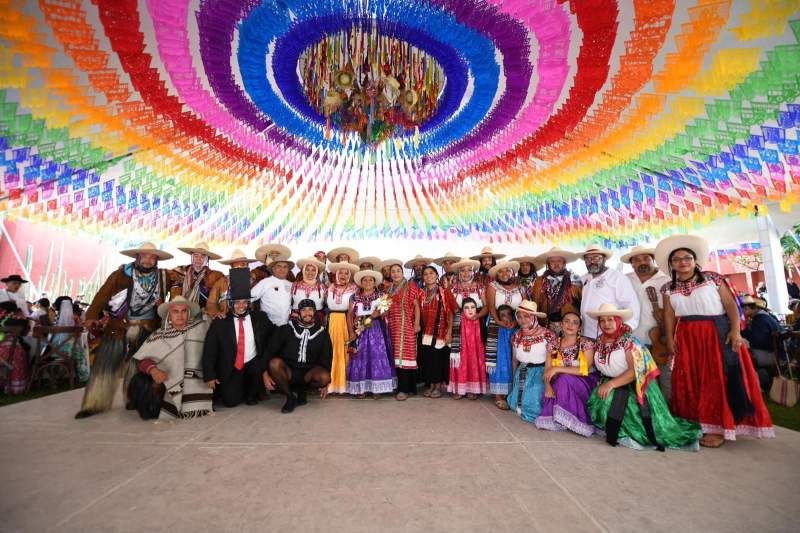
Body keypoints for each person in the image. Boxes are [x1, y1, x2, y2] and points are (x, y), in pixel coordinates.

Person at [656, 235, 774, 447]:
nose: (683, 262)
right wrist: (671, 340)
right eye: (677, 259)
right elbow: (669, 315)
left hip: (716, 332)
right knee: (690, 379)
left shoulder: (713, 278)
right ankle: (696, 424)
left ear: (695, 260)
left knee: (717, 378)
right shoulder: (667, 288)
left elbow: (731, 306)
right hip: (687, 335)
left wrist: (736, 331)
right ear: (671, 264)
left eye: (687, 258)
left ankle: (719, 427)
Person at [75, 242, 172, 419]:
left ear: (157, 260)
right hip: (119, 326)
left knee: (140, 367)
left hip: (147, 327)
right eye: (145, 256)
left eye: (152, 257)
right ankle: (95, 403)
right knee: (106, 364)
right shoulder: (121, 274)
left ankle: (134, 399)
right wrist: (91, 316)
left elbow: (187, 275)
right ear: (137, 257)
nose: (148, 260)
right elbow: (102, 294)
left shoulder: (163, 276)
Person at [586, 304, 702, 451]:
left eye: (610, 319)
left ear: (618, 321)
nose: (606, 324)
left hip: (635, 385)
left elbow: (635, 371)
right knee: (600, 398)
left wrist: (610, 385)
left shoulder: (629, 342)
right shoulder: (599, 341)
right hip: (612, 382)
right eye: (602, 320)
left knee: (614, 402)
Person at [202, 269, 274, 408]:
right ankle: (239, 387)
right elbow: (210, 350)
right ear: (230, 304)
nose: (241, 306)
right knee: (231, 401)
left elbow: (273, 337)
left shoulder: (259, 318)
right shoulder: (221, 322)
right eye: (237, 302)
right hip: (232, 366)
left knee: (252, 399)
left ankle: (253, 388)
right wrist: (209, 375)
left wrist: (265, 370)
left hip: (253, 365)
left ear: (249, 303)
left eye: (244, 302)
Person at [130, 296, 211, 419]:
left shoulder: (200, 328)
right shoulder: (159, 335)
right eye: (175, 311)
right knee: (139, 381)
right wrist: (153, 370)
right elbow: (142, 360)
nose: (180, 315)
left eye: (184, 311)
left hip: (197, 379)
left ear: (188, 313)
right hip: (166, 380)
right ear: (169, 314)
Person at [621, 245, 672, 399]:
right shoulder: (625, 279)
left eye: (646, 258)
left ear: (653, 260)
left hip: (660, 337)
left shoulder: (667, 279)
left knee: (666, 379)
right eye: (637, 260)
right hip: (634, 339)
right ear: (632, 264)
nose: (642, 262)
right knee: (643, 382)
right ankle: (649, 416)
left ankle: (668, 416)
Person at [536, 311, 598, 436]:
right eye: (567, 321)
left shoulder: (585, 344)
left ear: (580, 327)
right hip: (560, 382)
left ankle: (573, 418)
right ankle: (563, 418)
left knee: (563, 378)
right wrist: (547, 386)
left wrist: (558, 369)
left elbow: (584, 370)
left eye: (575, 323)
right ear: (561, 324)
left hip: (584, 382)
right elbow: (548, 368)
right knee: (559, 380)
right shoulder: (554, 345)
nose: (570, 325)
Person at [266, 299, 333, 413]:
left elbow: (326, 358)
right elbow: (270, 350)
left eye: (310, 309)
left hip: (309, 372)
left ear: (315, 312)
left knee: (324, 377)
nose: (307, 313)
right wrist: (264, 373)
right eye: (303, 310)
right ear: (298, 312)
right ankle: (290, 397)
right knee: (274, 363)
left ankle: (303, 392)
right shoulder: (286, 328)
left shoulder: (322, 333)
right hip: (289, 371)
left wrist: (326, 384)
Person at [346, 270, 396, 399]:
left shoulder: (383, 295)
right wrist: (351, 332)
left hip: (376, 330)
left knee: (376, 356)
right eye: (365, 280)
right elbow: (350, 314)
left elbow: (385, 312)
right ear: (361, 283)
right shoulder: (354, 296)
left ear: (374, 282)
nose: (368, 282)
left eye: (370, 280)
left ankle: (376, 388)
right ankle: (361, 389)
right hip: (359, 330)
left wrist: (375, 314)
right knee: (360, 357)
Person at [485, 261, 526, 409]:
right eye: (500, 272)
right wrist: (498, 321)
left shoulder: (521, 288)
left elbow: (524, 306)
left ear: (512, 273)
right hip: (498, 327)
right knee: (499, 359)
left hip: (516, 326)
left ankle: (512, 392)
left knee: (514, 358)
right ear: (497, 274)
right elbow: (490, 307)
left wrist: (517, 322)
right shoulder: (492, 287)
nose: (504, 274)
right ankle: (498, 395)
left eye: (507, 271)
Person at [507, 301, 556, 422]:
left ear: (533, 317)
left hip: (540, 373)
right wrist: (514, 380)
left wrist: (549, 381)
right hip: (522, 372)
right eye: (519, 316)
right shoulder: (517, 335)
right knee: (516, 404)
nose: (522, 320)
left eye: (526, 316)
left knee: (534, 405)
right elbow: (514, 360)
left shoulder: (548, 334)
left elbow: (554, 360)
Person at [578, 245, 640, 340]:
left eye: (596, 257)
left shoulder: (617, 277)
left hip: (609, 335)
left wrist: (628, 326)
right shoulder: (585, 278)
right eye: (588, 258)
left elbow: (631, 303)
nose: (592, 261)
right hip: (586, 334)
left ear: (604, 259)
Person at [383, 259, 421, 399]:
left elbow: (416, 306)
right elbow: (383, 309)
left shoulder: (411, 286)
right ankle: (399, 386)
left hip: (406, 326)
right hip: (392, 327)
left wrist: (416, 324)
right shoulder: (388, 289)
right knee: (395, 356)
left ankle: (404, 389)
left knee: (405, 356)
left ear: (402, 272)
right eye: (392, 271)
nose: (395, 273)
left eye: (398, 271)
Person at [418, 265, 455, 399]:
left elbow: (451, 313)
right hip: (426, 331)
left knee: (439, 358)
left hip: (440, 330)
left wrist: (449, 331)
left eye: (431, 273)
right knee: (429, 358)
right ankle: (432, 385)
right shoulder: (421, 293)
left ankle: (438, 385)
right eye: (426, 274)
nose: (429, 276)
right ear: (423, 277)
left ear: (437, 275)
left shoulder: (444, 292)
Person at [324, 262, 359, 394]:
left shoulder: (354, 288)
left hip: (347, 321)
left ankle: (345, 384)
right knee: (331, 350)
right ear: (336, 274)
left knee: (346, 350)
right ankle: (331, 384)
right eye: (340, 273)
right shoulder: (330, 287)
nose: (343, 275)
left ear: (349, 275)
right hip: (332, 321)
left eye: (346, 273)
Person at [529, 247, 582, 334]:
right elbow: (535, 304)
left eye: (559, 261)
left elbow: (582, 303)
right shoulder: (539, 281)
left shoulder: (574, 279)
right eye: (552, 262)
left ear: (564, 263)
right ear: (548, 264)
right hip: (545, 324)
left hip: (569, 326)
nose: (556, 264)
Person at [207, 249, 265, 317]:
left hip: (248, 317)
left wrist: (254, 274)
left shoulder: (252, 280)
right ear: (232, 266)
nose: (242, 267)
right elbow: (211, 302)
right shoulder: (222, 282)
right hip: (227, 317)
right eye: (238, 265)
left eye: (244, 264)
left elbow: (262, 273)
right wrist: (216, 312)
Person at [448, 297, 486, 399]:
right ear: (462, 309)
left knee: (473, 366)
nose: (470, 310)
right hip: (462, 349)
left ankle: (473, 390)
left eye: (473, 307)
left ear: (476, 309)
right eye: (466, 308)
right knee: (461, 366)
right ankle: (460, 390)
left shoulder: (480, 319)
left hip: (475, 350)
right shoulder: (459, 319)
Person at [741, 295, 781, 393]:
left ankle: (757, 384)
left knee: (744, 355)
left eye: (742, 311)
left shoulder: (760, 319)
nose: (742, 313)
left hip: (771, 354)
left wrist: (744, 330)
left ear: (746, 308)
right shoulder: (765, 316)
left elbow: (757, 342)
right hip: (774, 352)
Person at [170, 242, 224, 311]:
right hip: (181, 313)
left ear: (207, 260)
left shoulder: (216, 276)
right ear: (191, 257)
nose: (199, 259)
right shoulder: (178, 272)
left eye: (203, 256)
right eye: (196, 255)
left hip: (204, 314)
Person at [251, 248, 294, 327]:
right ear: (273, 269)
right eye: (279, 266)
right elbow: (249, 297)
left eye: (285, 267)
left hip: (286, 325)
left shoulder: (291, 284)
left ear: (288, 270)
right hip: (268, 326)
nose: (282, 269)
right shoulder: (265, 282)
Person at [52, 296, 89, 383]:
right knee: (80, 351)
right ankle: (82, 376)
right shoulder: (74, 318)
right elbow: (79, 333)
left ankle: (53, 378)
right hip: (69, 352)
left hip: (53, 350)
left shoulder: (56, 317)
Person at [0, 301, 30, 394]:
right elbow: (26, 333)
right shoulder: (21, 319)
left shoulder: (3, 319)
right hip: (17, 351)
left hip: (3, 353)